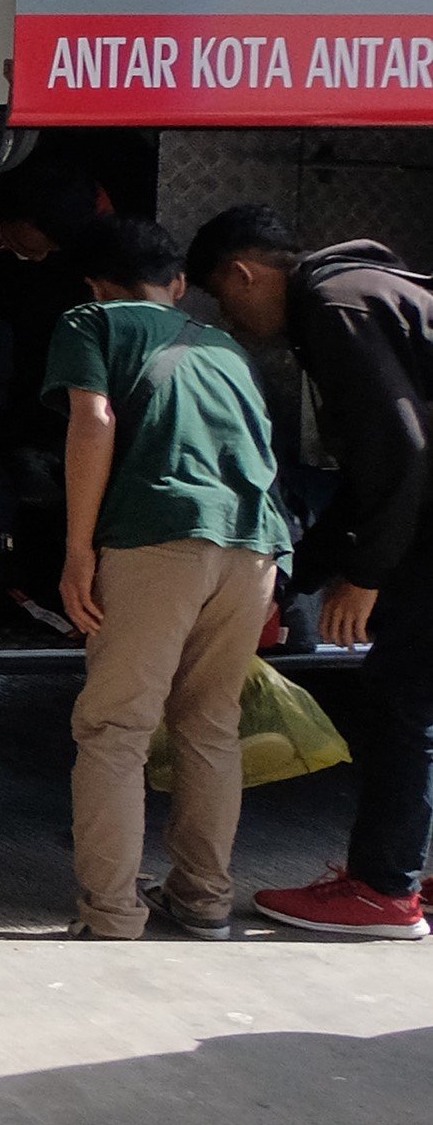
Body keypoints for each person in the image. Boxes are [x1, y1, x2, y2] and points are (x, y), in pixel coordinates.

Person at [188, 203, 433, 940]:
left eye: (225, 299)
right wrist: (301, 573)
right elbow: (371, 475)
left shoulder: (334, 303)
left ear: (244, 273)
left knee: (400, 695)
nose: (231, 321)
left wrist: (367, 574)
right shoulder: (368, 290)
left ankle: (381, 890)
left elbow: (402, 452)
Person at [48, 213, 290, 940]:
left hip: (157, 540)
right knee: (210, 724)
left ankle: (114, 912)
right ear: (179, 284)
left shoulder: (92, 319)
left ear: (95, 281)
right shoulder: (225, 346)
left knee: (116, 726)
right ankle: (204, 899)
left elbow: (92, 421)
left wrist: (78, 549)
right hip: (253, 548)